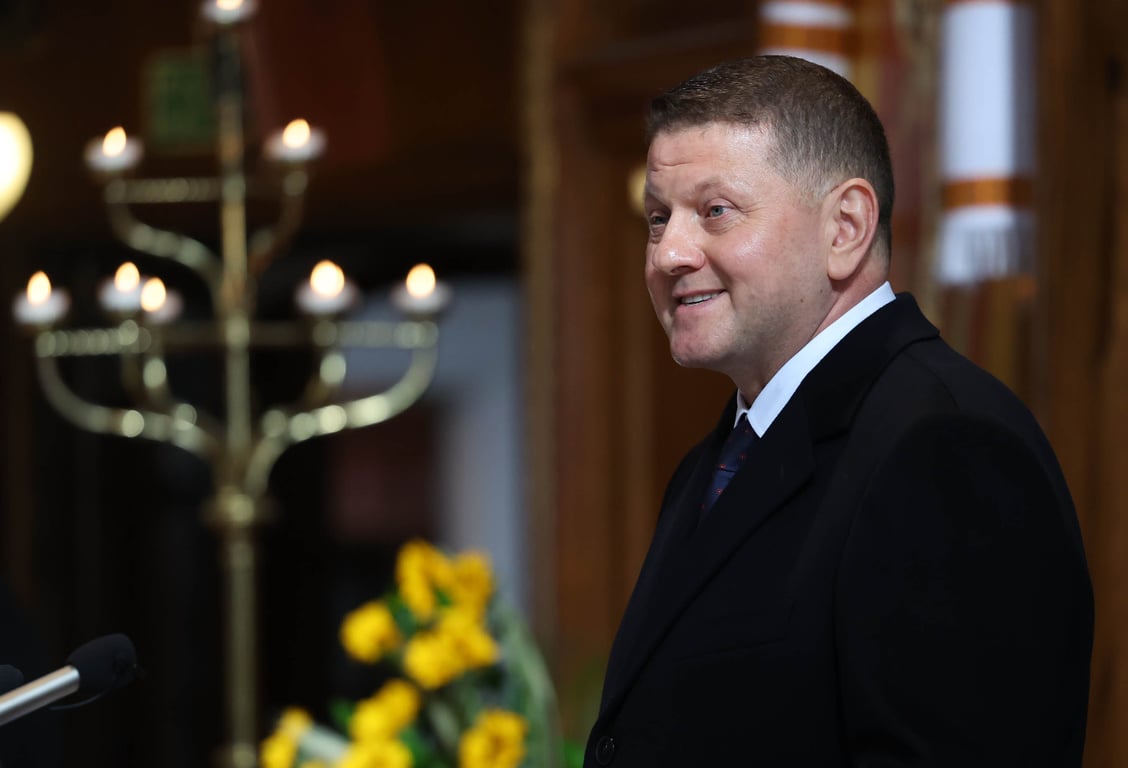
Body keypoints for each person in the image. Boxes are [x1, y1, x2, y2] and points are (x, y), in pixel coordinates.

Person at [583, 55, 1093, 767]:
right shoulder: (721, 457)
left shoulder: (943, 445)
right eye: (659, 217)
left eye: (715, 212)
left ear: (846, 226)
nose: (668, 253)